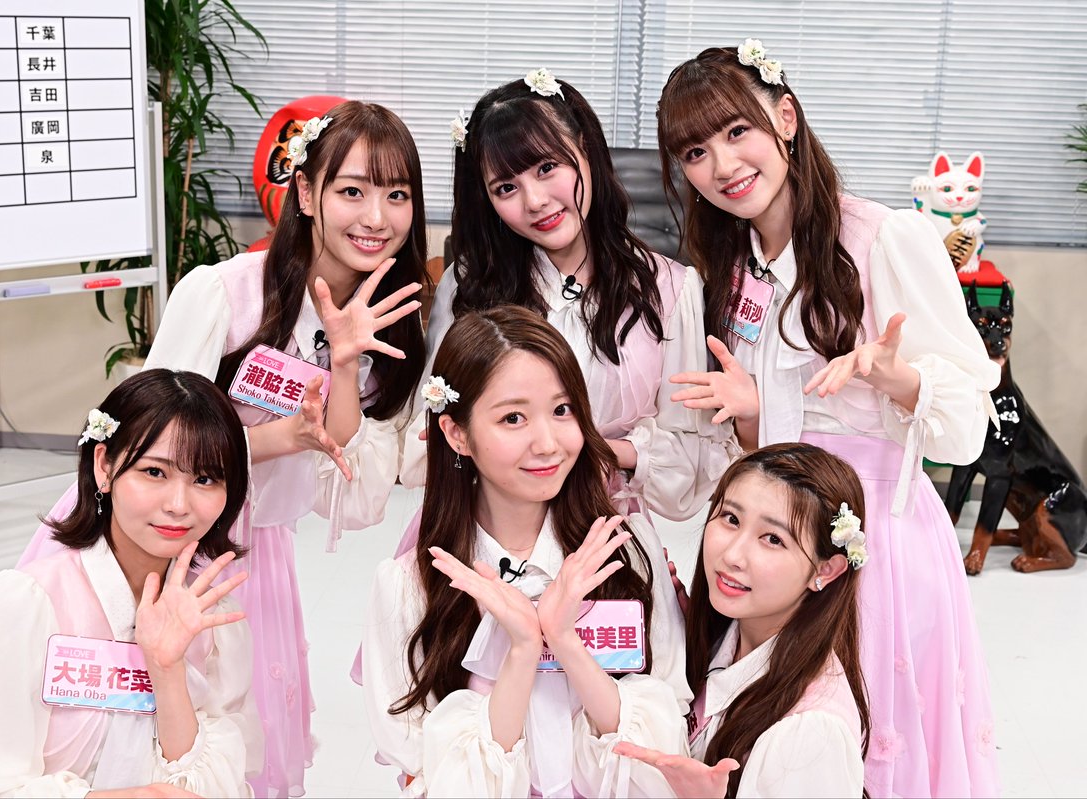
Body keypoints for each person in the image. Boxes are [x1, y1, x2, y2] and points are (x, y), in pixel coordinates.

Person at [20, 101, 429, 797]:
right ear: (306, 193)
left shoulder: (390, 321)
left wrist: (342, 366)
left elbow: (350, 486)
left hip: (251, 551)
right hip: (155, 532)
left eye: (397, 194)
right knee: (109, 716)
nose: (376, 216)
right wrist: (277, 439)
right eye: (352, 190)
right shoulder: (224, 292)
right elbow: (148, 436)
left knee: (230, 742)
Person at [656, 41, 1000, 797]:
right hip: (777, 541)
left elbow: (968, 425)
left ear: (785, 117)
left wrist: (895, 376)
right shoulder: (733, 263)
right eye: (696, 152)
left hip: (871, 541)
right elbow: (772, 439)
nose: (722, 165)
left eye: (737, 131)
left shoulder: (883, 238)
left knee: (868, 747)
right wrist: (754, 417)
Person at [363, 307, 690, 798]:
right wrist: (521, 651)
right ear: (456, 433)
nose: (548, 443)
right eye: (513, 418)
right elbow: (435, 774)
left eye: (562, 410)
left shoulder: (627, 548)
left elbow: (659, 750)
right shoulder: (408, 587)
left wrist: (564, 640)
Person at [401, 68, 739, 519]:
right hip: (491, 527)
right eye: (506, 188)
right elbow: (424, 443)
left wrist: (601, 451)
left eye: (547, 168)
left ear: (584, 149)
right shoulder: (470, 285)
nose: (535, 201)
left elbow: (690, 467)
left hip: (605, 529)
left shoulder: (670, 290)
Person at [0, 370, 261, 797]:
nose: (178, 504)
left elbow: (216, 782)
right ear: (104, 466)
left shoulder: (211, 621)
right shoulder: (26, 604)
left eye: (205, 479)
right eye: (154, 472)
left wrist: (167, 670)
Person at [615, 443, 871, 798]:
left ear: (825, 570)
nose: (733, 555)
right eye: (731, 519)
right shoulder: (722, 639)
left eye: (773, 539)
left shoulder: (812, 732)